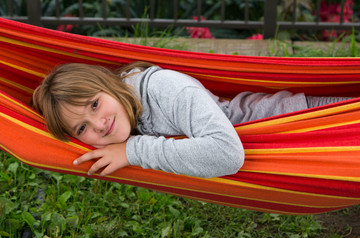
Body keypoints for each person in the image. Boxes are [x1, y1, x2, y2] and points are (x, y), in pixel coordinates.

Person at [32, 62, 352, 178]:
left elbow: (226, 154)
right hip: (303, 143)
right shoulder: (124, 114)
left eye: (94, 104)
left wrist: (134, 151)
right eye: (82, 128)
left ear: (108, 85)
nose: (99, 124)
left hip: (317, 121)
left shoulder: (164, 88)